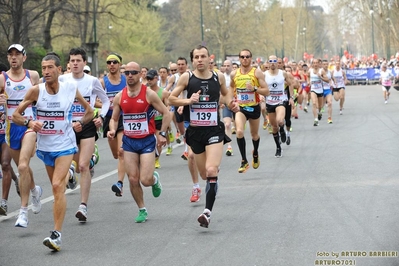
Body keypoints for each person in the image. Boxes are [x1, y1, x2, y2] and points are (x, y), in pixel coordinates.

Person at [12, 54, 93, 251]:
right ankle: (70, 175)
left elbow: (89, 111)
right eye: (43, 68)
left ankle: (56, 234)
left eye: (49, 68)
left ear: (58, 70)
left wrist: (80, 123)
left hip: (65, 145)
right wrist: (29, 122)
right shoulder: (36, 91)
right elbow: (15, 115)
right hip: (46, 148)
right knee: (57, 187)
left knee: (57, 186)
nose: (46, 72)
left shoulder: (69, 89)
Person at [169, 45, 239, 228]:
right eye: (196, 57)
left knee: (210, 170)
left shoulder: (219, 76)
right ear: (192, 61)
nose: (199, 60)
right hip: (195, 131)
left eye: (203, 56)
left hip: (214, 129)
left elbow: (225, 94)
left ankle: (207, 212)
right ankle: (212, 181)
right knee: (203, 174)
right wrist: (187, 101)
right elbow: (170, 99)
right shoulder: (187, 77)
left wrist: (231, 104)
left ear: (209, 59)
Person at [107, 62, 171, 223]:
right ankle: (142, 209)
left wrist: (162, 134)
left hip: (147, 141)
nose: (130, 75)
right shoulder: (120, 96)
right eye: (127, 73)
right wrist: (112, 130)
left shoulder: (148, 94)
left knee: (145, 180)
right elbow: (114, 119)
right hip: (129, 142)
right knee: (133, 179)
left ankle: (154, 180)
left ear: (140, 75)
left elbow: (166, 113)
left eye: (133, 72)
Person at [59, 47, 110, 222]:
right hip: (67, 127)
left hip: (86, 125)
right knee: (70, 163)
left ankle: (83, 206)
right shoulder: (62, 79)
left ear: (84, 62)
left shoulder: (92, 80)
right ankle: (81, 170)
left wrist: (101, 117)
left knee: (83, 166)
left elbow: (105, 101)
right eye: (72, 60)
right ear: (68, 63)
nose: (75, 63)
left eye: (78, 60)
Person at [0, 44, 42, 227]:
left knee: (23, 165)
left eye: (17, 54)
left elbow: (41, 98)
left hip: (29, 126)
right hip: (11, 128)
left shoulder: (32, 76)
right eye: (11, 55)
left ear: (24, 58)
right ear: (8, 58)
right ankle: (34, 190)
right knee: (23, 168)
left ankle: (23, 212)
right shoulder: (2, 78)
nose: (14, 57)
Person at [230, 49, 269, 173]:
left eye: (247, 56)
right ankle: (244, 160)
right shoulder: (234, 74)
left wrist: (255, 89)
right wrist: (232, 99)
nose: (245, 59)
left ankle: (255, 153)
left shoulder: (257, 72)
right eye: (242, 57)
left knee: (254, 135)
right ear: (239, 58)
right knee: (239, 131)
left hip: (254, 107)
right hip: (241, 108)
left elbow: (266, 91)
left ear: (251, 58)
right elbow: (231, 87)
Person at [100, 53, 127, 197]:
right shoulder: (103, 82)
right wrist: (106, 104)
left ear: (120, 64)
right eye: (109, 62)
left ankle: (120, 183)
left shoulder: (126, 80)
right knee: (116, 155)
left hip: (123, 118)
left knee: (121, 151)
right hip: (109, 118)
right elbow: (95, 101)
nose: (111, 65)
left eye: (114, 62)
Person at [0, 60, 20, 216]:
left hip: (6, 133)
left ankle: (4, 203)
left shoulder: (11, 92)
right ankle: (16, 179)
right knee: (5, 166)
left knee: (5, 164)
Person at [264, 55, 294, 157]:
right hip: (270, 102)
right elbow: (261, 87)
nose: (272, 63)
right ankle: (278, 147)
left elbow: (291, 84)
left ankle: (282, 129)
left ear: (278, 63)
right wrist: (262, 97)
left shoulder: (283, 73)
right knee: (274, 127)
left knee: (280, 120)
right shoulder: (264, 75)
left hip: (281, 100)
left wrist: (291, 97)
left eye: (274, 61)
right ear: (268, 63)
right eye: (270, 61)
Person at [146, 69, 169, 169]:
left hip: (159, 119)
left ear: (156, 78)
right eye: (148, 79)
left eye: (151, 78)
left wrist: (165, 112)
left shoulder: (163, 92)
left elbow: (168, 106)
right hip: (149, 120)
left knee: (158, 141)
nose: (149, 81)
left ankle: (156, 159)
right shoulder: (145, 92)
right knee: (150, 141)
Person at [308, 59, 330, 126]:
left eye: (316, 63)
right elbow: (307, 76)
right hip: (313, 89)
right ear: (312, 64)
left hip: (320, 90)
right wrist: (309, 81)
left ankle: (319, 112)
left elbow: (327, 80)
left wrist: (320, 77)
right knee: (314, 103)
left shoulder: (321, 71)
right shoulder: (310, 71)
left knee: (320, 106)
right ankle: (315, 119)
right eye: (314, 63)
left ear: (319, 64)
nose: (315, 64)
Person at [220, 59, 234, 156]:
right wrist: (221, 102)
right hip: (226, 104)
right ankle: (229, 147)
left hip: (237, 103)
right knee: (227, 124)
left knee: (238, 127)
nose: (226, 67)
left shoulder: (235, 76)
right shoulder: (221, 77)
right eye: (224, 65)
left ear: (232, 66)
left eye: (228, 65)